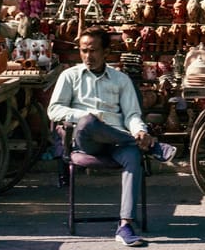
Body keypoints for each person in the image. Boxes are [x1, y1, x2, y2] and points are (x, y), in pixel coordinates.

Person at [47, 26, 176, 247]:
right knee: (89, 122)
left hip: (118, 140)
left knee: (133, 156)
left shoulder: (121, 79)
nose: (88, 56)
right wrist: (85, 115)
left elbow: (132, 114)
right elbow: (54, 110)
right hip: (88, 142)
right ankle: (152, 146)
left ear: (106, 52)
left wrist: (140, 131)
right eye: (84, 50)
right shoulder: (70, 76)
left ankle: (125, 225)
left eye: (94, 50)